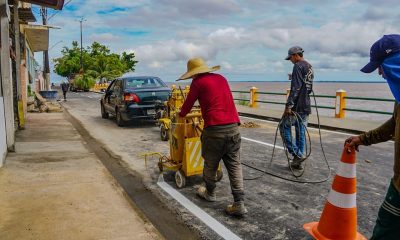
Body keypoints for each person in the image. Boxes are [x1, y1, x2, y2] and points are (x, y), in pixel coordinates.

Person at [345, 34, 400, 240]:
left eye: (381, 66)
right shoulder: (399, 99)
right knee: (385, 225)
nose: (380, 73)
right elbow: (394, 124)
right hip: (398, 184)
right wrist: (363, 138)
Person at [178, 57, 247, 217]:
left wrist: (181, 114)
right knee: (234, 165)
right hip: (233, 128)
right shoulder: (221, 78)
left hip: (214, 131)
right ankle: (239, 203)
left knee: (210, 164)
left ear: (193, 74)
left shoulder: (197, 83)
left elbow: (187, 106)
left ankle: (210, 193)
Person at [280, 46, 314, 170]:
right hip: (306, 105)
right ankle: (297, 162)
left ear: (295, 55)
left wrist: (289, 106)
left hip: (297, 106)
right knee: (300, 133)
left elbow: (296, 88)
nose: (291, 61)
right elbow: (306, 86)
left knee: (283, 127)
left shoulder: (298, 66)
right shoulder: (309, 66)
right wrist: (294, 77)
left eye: (291, 58)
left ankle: (298, 155)